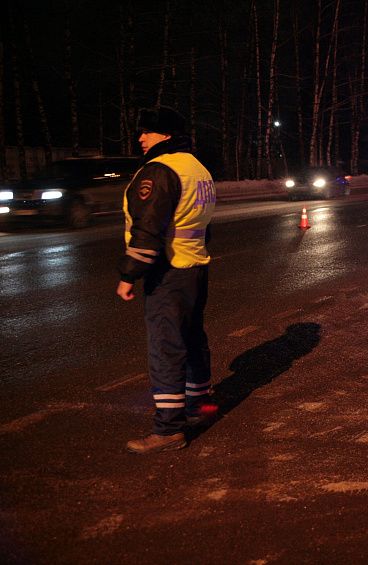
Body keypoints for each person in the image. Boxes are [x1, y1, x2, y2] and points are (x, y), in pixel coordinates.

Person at [118, 106, 217, 454]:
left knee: (165, 345)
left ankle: (168, 429)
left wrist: (130, 275)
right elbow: (203, 223)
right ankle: (199, 407)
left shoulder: (159, 171)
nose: (140, 138)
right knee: (191, 338)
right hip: (194, 267)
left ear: (167, 135)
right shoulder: (197, 167)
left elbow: (148, 228)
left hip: (169, 271)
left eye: (148, 131)